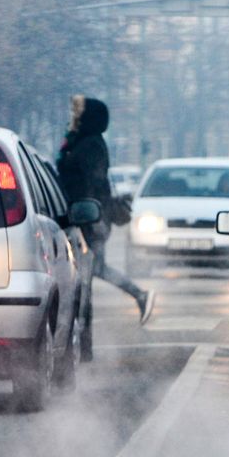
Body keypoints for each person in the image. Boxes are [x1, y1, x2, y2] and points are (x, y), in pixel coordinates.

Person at [57, 95, 155, 339]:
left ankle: (87, 337)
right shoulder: (81, 140)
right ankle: (138, 296)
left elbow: (94, 182)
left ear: (88, 117)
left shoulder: (90, 144)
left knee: (87, 276)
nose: (73, 116)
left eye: (78, 113)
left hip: (89, 217)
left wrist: (91, 214)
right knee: (91, 272)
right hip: (82, 215)